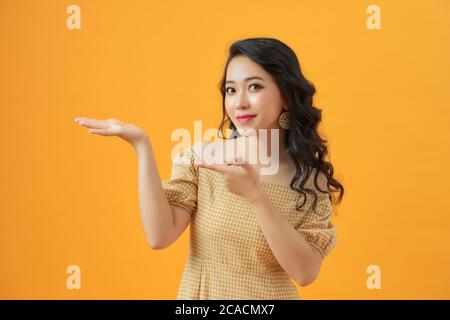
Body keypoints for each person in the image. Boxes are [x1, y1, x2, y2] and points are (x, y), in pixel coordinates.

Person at [74, 37, 344, 299]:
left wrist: (256, 195)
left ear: (286, 96)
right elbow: (159, 235)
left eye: (255, 87)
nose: (239, 102)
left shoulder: (309, 180)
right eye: (231, 89)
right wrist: (141, 145)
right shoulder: (203, 159)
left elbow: (305, 272)